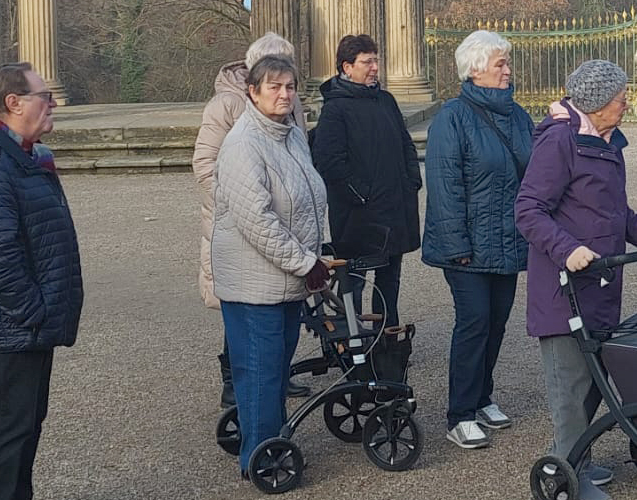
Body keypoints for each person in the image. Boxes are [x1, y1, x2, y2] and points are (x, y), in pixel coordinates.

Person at [515, 60, 637, 500]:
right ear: (599, 102)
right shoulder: (559, 141)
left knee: (593, 382)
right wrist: (567, 249)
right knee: (570, 389)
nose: (627, 103)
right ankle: (566, 475)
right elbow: (528, 210)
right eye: (621, 98)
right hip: (564, 290)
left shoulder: (608, 142)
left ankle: (578, 459)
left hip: (601, 285)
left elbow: (614, 212)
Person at [0, 62, 84, 500]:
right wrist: (34, 311)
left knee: (23, 427)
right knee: (7, 433)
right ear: (13, 103)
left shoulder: (22, 157)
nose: (53, 104)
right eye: (44, 96)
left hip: (27, 326)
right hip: (15, 326)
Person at [211, 54, 331, 478]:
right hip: (255, 283)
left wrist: (318, 249)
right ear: (253, 92)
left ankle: (271, 441)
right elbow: (257, 221)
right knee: (261, 372)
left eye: (290, 87)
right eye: (275, 87)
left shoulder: (291, 135)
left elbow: (308, 199)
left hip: (287, 279)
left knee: (276, 369)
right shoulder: (243, 144)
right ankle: (260, 459)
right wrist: (305, 263)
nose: (284, 94)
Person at [422, 29, 535, 450]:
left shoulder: (519, 116)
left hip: (506, 240)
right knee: (474, 324)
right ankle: (461, 413)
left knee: (497, 322)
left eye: (507, 62)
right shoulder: (452, 118)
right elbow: (444, 186)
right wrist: (456, 247)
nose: (508, 70)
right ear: (475, 70)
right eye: (500, 64)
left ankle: (483, 396)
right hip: (467, 248)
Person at [192, 32, 307, 407]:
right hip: (239, 222)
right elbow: (205, 165)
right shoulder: (225, 104)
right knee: (246, 303)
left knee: (277, 309)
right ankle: (234, 379)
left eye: (289, 72)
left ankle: (274, 379)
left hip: (283, 223)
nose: (285, 85)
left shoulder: (291, 103)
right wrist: (237, 204)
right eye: (276, 73)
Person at [311, 33, 421, 324]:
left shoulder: (386, 100)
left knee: (390, 279)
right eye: (367, 62)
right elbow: (329, 162)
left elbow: (405, 144)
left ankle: (388, 336)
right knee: (355, 280)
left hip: (393, 206)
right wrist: (361, 195)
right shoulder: (335, 109)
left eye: (376, 60)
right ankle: (355, 337)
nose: (375, 67)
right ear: (347, 67)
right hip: (357, 214)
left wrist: (412, 180)